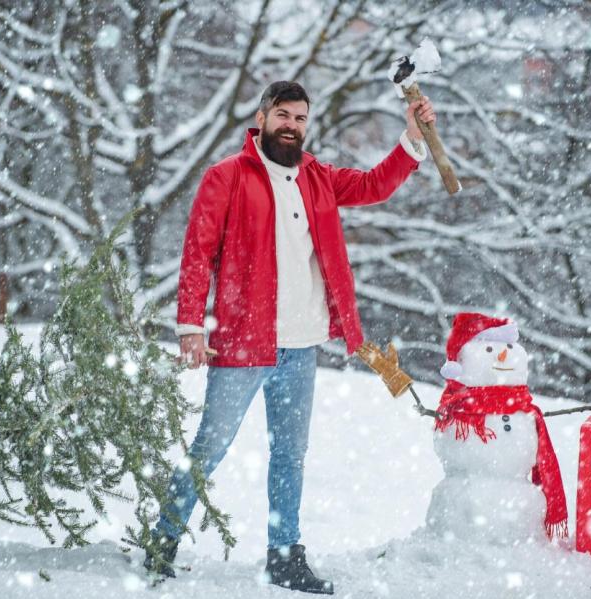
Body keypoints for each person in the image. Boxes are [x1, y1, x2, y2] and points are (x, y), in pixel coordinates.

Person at [147, 80, 435, 594]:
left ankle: (284, 556)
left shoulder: (317, 176)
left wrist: (412, 138)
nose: (291, 126)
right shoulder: (227, 177)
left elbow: (373, 185)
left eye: (300, 119)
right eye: (282, 115)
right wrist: (191, 326)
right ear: (261, 118)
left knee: (289, 455)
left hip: (301, 345)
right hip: (244, 342)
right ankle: (162, 541)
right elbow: (197, 253)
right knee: (210, 447)